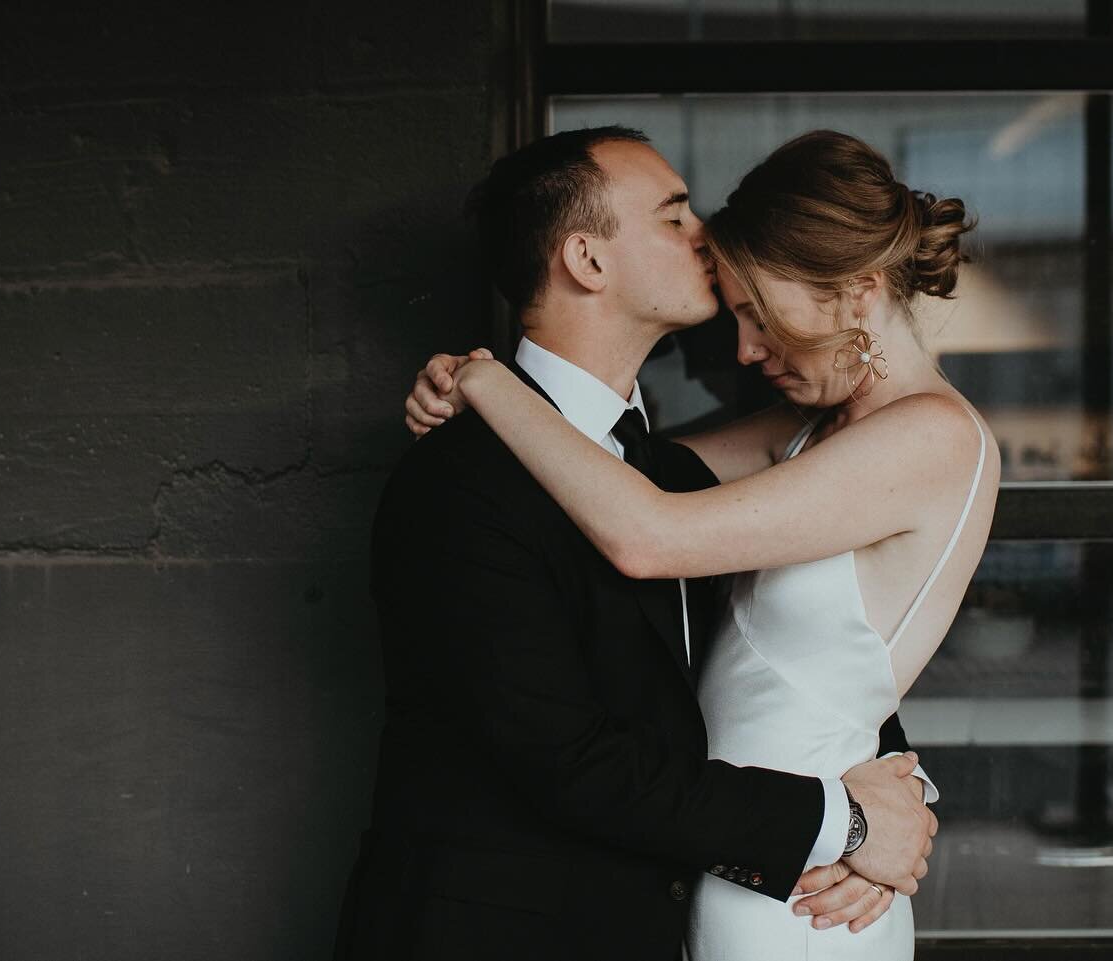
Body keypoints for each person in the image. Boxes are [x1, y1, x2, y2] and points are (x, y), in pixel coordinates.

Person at [333, 126, 939, 961]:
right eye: (675, 215)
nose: (706, 234)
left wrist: (889, 801)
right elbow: (568, 762)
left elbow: (803, 644)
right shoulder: (457, 481)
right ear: (587, 260)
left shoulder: (671, 480)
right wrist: (842, 822)